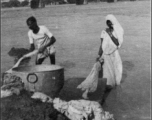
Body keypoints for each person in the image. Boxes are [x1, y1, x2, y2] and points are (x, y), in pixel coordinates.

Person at [96, 14, 124, 105]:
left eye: (110, 22)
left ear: (113, 22)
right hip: (106, 54)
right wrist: (99, 54)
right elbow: (101, 44)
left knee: (117, 72)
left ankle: (115, 92)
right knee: (107, 73)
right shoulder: (104, 32)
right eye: (107, 22)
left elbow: (117, 43)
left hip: (114, 54)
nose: (109, 24)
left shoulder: (117, 31)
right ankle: (107, 88)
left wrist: (111, 33)